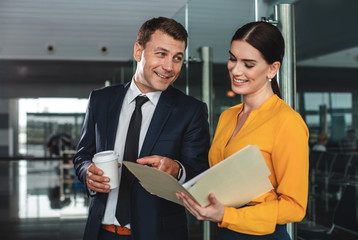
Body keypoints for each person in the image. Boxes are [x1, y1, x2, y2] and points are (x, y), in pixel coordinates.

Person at [73, 17, 210, 240]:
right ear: (139, 52)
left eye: (177, 58)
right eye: (161, 54)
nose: (169, 67)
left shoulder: (190, 111)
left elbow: (200, 173)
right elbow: (82, 156)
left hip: (159, 234)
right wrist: (87, 171)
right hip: (101, 232)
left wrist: (176, 169)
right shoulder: (101, 100)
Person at [177, 21, 309, 239]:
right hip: (226, 230)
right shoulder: (228, 116)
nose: (235, 70)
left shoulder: (287, 122)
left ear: (273, 69)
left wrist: (227, 216)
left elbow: (295, 207)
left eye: (248, 64)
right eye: (232, 59)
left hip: (263, 234)